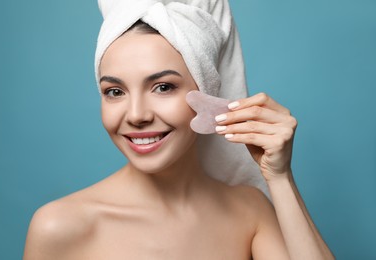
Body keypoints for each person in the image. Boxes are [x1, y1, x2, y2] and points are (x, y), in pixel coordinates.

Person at [23, 1, 334, 259]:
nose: (136, 115)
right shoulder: (60, 227)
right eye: (115, 91)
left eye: (163, 87)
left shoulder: (249, 212)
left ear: (207, 92)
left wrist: (280, 177)